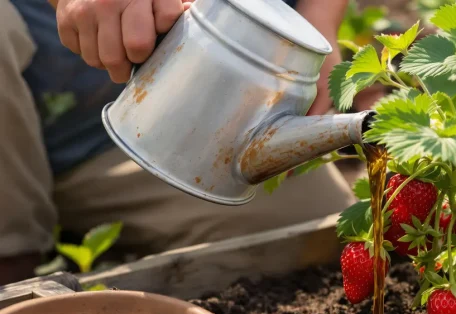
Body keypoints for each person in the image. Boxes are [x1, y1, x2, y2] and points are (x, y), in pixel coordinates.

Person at [0, 0, 355, 285]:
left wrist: (319, 16)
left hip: (227, 110)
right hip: (43, 119)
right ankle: (13, 262)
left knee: (323, 236)